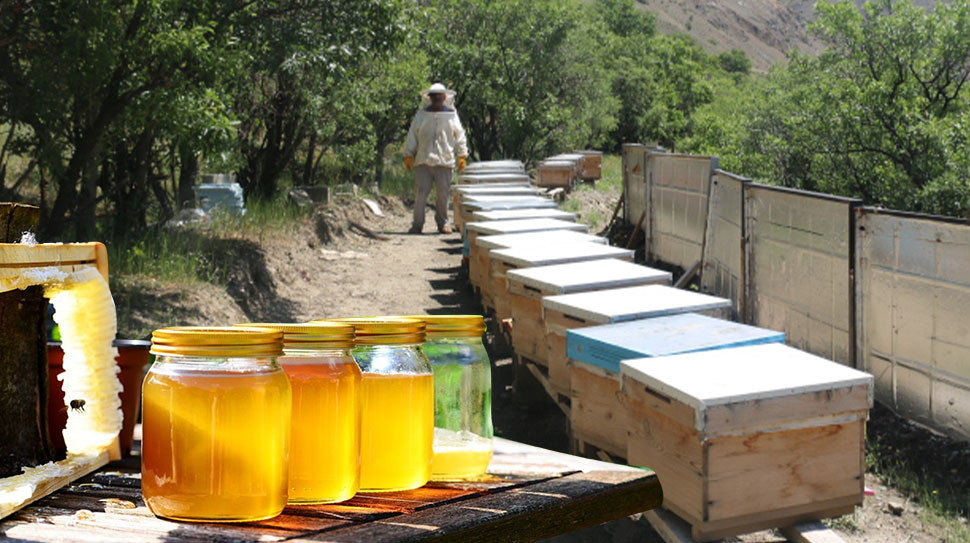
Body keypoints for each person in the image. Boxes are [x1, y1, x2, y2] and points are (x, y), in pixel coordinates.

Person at [403, 83, 468, 234]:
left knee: (443, 194)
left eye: (440, 96)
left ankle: (443, 223)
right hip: (423, 160)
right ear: (430, 98)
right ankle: (417, 225)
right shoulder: (421, 115)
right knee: (421, 193)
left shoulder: (451, 115)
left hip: (444, 161)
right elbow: (413, 135)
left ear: (445, 97)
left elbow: (460, 136)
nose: (437, 98)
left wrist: (462, 155)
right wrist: (408, 154)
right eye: (434, 96)